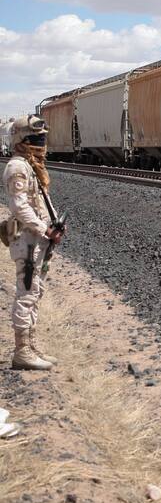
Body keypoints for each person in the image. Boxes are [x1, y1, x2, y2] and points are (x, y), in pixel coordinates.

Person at [3, 115, 65, 371]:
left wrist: (53, 224)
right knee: (26, 294)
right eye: (35, 139)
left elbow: (37, 204)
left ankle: (31, 345)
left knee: (35, 292)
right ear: (21, 140)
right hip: (27, 240)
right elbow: (19, 206)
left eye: (42, 138)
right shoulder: (18, 167)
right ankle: (22, 352)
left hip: (36, 239)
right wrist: (45, 229)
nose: (40, 143)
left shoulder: (31, 166)